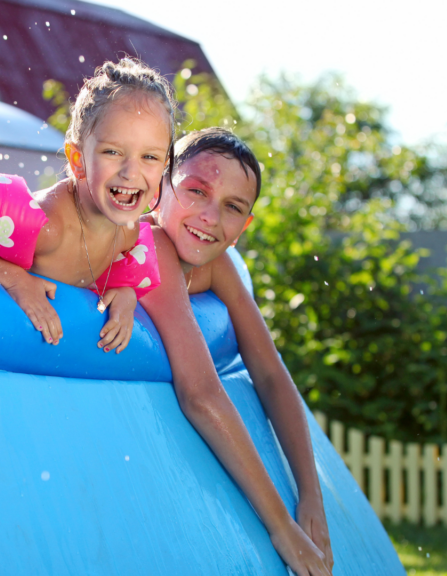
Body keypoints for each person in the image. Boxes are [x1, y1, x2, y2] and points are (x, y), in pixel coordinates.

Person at [140, 128, 334, 575]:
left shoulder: (217, 264)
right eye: (196, 191)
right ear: (158, 190)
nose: (210, 215)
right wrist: (283, 528)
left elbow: (269, 374)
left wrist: (311, 495)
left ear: (243, 228)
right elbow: (200, 394)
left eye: (232, 207)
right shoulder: (150, 244)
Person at [0, 59, 173, 353]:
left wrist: (126, 294)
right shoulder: (47, 227)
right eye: (113, 152)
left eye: (150, 157)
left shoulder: (127, 233)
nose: (131, 172)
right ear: (78, 160)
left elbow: (110, 272)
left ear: (164, 167)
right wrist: (15, 279)